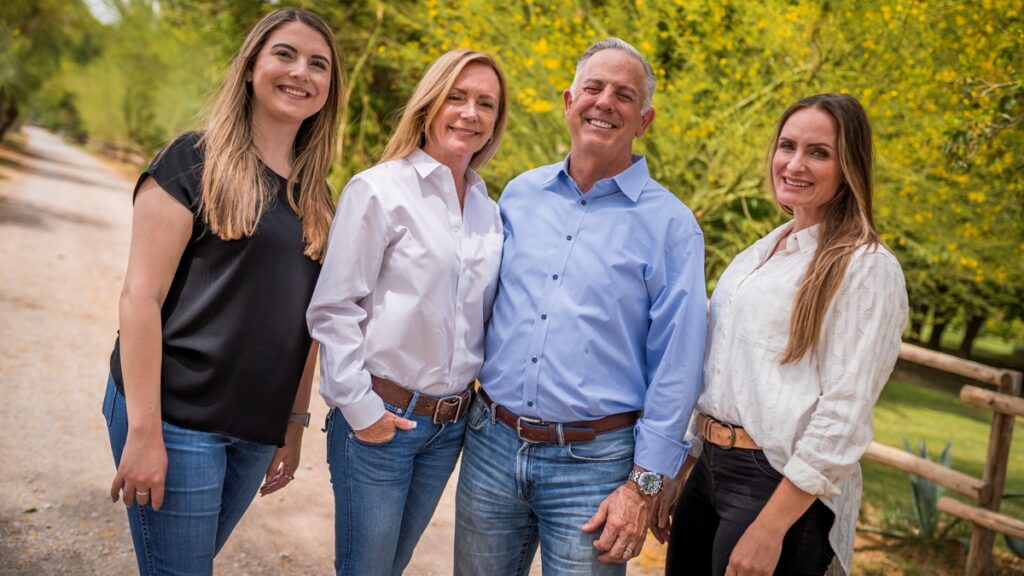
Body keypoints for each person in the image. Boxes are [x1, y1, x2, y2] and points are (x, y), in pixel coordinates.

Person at [454, 38, 707, 575]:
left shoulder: (672, 226)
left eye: (624, 95)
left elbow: (678, 365)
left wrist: (643, 486)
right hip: (491, 446)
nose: (604, 102)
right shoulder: (520, 196)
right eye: (593, 88)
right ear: (570, 101)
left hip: (595, 470)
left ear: (644, 120)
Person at [102, 9, 343, 574]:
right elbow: (140, 298)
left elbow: (309, 325)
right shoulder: (193, 160)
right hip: (174, 417)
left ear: (330, 88)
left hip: (255, 430)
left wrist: (294, 425)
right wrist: (144, 432)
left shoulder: (318, 197)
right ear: (252, 64)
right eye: (284, 54)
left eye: (318, 64)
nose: (300, 72)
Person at [665, 93, 908, 576]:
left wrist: (771, 527)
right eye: (787, 146)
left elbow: (844, 415)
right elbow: (719, 370)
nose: (796, 163)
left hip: (775, 487)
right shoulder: (762, 250)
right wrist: (684, 469)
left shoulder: (866, 267)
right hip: (711, 470)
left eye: (819, 152)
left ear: (849, 166)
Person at [306, 49, 508, 576]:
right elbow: (334, 307)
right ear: (428, 106)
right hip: (383, 419)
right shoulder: (380, 189)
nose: (470, 113)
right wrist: (360, 408)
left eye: (485, 103)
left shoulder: (489, 209)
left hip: (450, 429)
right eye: (457, 97)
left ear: (496, 122)